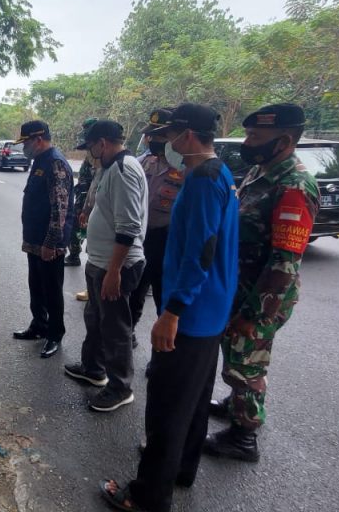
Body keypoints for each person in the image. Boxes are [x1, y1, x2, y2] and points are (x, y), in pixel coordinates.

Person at [100, 103, 239, 512]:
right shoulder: (220, 173)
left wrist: (172, 311)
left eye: (169, 136)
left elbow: (201, 252)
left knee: (166, 408)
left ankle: (146, 497)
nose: (164, 144)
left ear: (189, 135)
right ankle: (182, 469)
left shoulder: (200, 182)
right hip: (211, 311)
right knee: (194, 401)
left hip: (191, 315)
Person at [204, 103, 319, 462]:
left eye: (256, 136)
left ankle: (243, 436)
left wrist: (254, 313)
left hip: (262, 295)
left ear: (283, 141)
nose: (248, 141)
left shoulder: (293, 185)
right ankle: (236, 402)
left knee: (246, 362)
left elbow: (284, 261)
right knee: (238, 354)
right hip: (241, 286)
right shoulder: (260, 171)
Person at [63, 119, 147, 412]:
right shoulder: (109, 167)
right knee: (96, 319)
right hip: (100, 260)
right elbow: (104, 203)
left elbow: (129, 226)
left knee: (115, 328)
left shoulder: (124, 170)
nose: (88, 153)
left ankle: (120, 387)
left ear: (103, 143)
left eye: (90, 147)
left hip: (117, 266)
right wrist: (89, 211)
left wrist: (114, 271)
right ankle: (94, 369)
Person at [11, 120, 75, 358]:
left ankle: (55, 334)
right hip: (35, 239)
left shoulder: (55, 162)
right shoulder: (40, 160)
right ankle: (39, 325)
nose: (23, 147)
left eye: (26, 142)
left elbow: (59, 208)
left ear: (38, 139)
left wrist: (51, 242)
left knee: (51, 290)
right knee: (36, 285)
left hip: (49, 243)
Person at [128, 108, 184, 352]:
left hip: (167, 239)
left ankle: (161, 352)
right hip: (142, 238)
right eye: (151, 136)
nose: (154, 141)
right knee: (135, 291)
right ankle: (127, 333)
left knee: (164, 296)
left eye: (160, 137)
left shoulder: (185, 169)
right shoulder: (142, 163)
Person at [66, 119, 98, 268]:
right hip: (83, 200)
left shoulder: (102, 160)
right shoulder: (90, 157)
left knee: (90, 234)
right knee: (75, 228)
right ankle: (74, 255)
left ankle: (77, 256)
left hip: (93, 204)